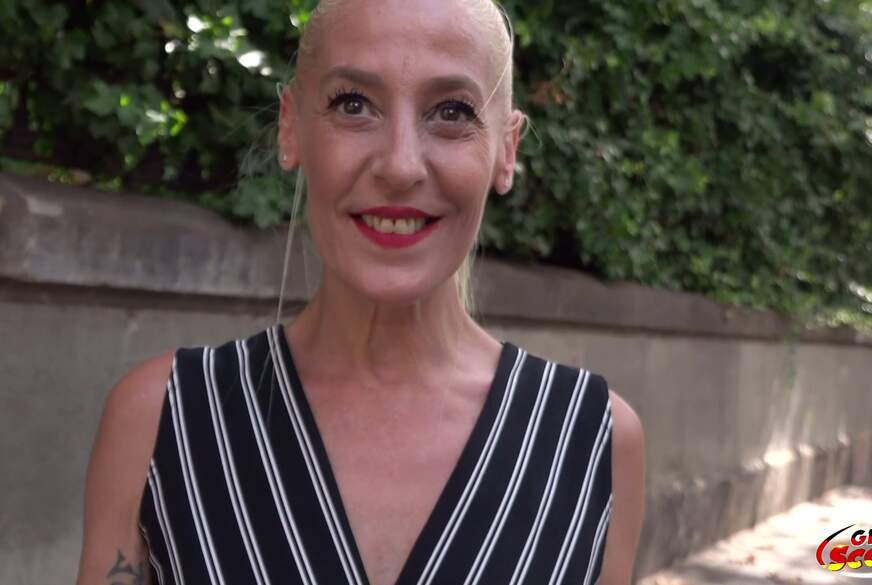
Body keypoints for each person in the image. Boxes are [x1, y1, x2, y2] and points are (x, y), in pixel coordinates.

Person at [75, 0, 646, 584]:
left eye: (452, 111)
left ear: (507, 148)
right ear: (291, 127)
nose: (400, 166)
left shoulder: (595, 443)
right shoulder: (159, 420)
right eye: (353, 104)